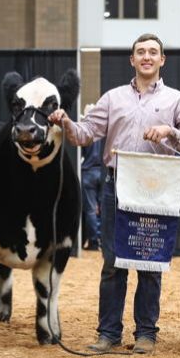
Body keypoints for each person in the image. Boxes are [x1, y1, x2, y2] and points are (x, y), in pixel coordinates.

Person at [49, 33, 180, 355]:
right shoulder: (113, 98)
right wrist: (65, 121)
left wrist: (170, 132)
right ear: (132, 60)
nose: (146, 57)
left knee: (150, 262)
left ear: (162, 60)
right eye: (140, 52)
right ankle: (108, 333)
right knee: (112, 263)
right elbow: (85, 135)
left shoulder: (177, 100)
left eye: (153, 52)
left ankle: (146, 333)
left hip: (154, 188)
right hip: (116, 185)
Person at [80, 105, 103, 251]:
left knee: (90, 210)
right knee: (102, 208)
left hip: (88, 172)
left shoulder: (86, 131)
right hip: (102, 171)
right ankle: (102, 239)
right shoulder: (103, 131)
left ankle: (94, 241)